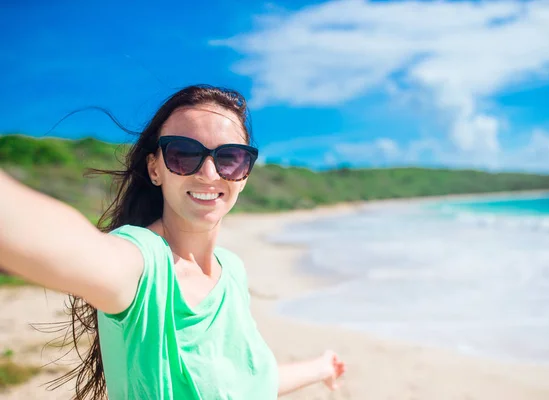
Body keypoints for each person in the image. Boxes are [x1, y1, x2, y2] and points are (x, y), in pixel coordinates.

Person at [0, 85, 346, 399]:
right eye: (183, 153)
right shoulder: (142, 265)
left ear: (244, 174)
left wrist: (322, 368)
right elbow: (66, 243)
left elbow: (249, 383)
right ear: (155, 168)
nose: (209, 174)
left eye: (229, 158)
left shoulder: (233, 273)